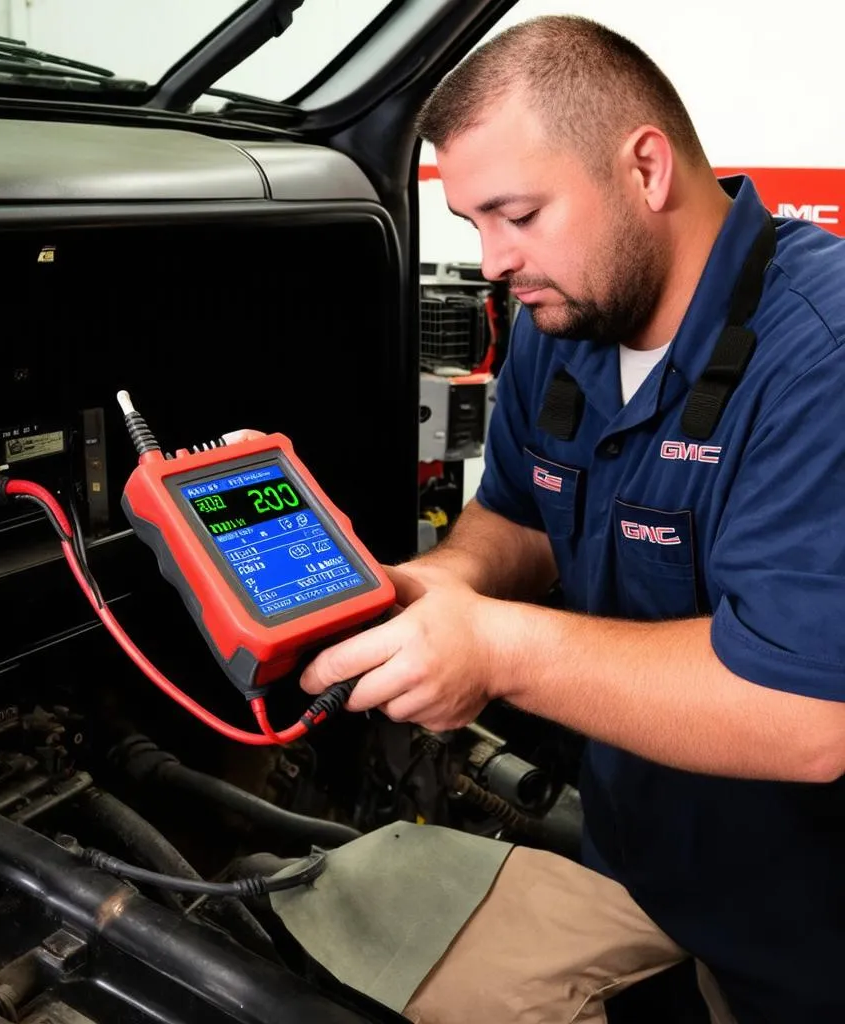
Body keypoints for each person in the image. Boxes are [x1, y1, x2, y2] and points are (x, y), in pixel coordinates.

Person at [230, 14, 845, 1022]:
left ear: (643, 167)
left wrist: (497, 650)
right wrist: (440, 585)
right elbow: (515, 516)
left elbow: (810, 716)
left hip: (806, 938)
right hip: (636, 876)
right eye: (474, 225)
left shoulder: (818, 353)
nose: (491, 263)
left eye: (514, 215)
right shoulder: (564, 323)